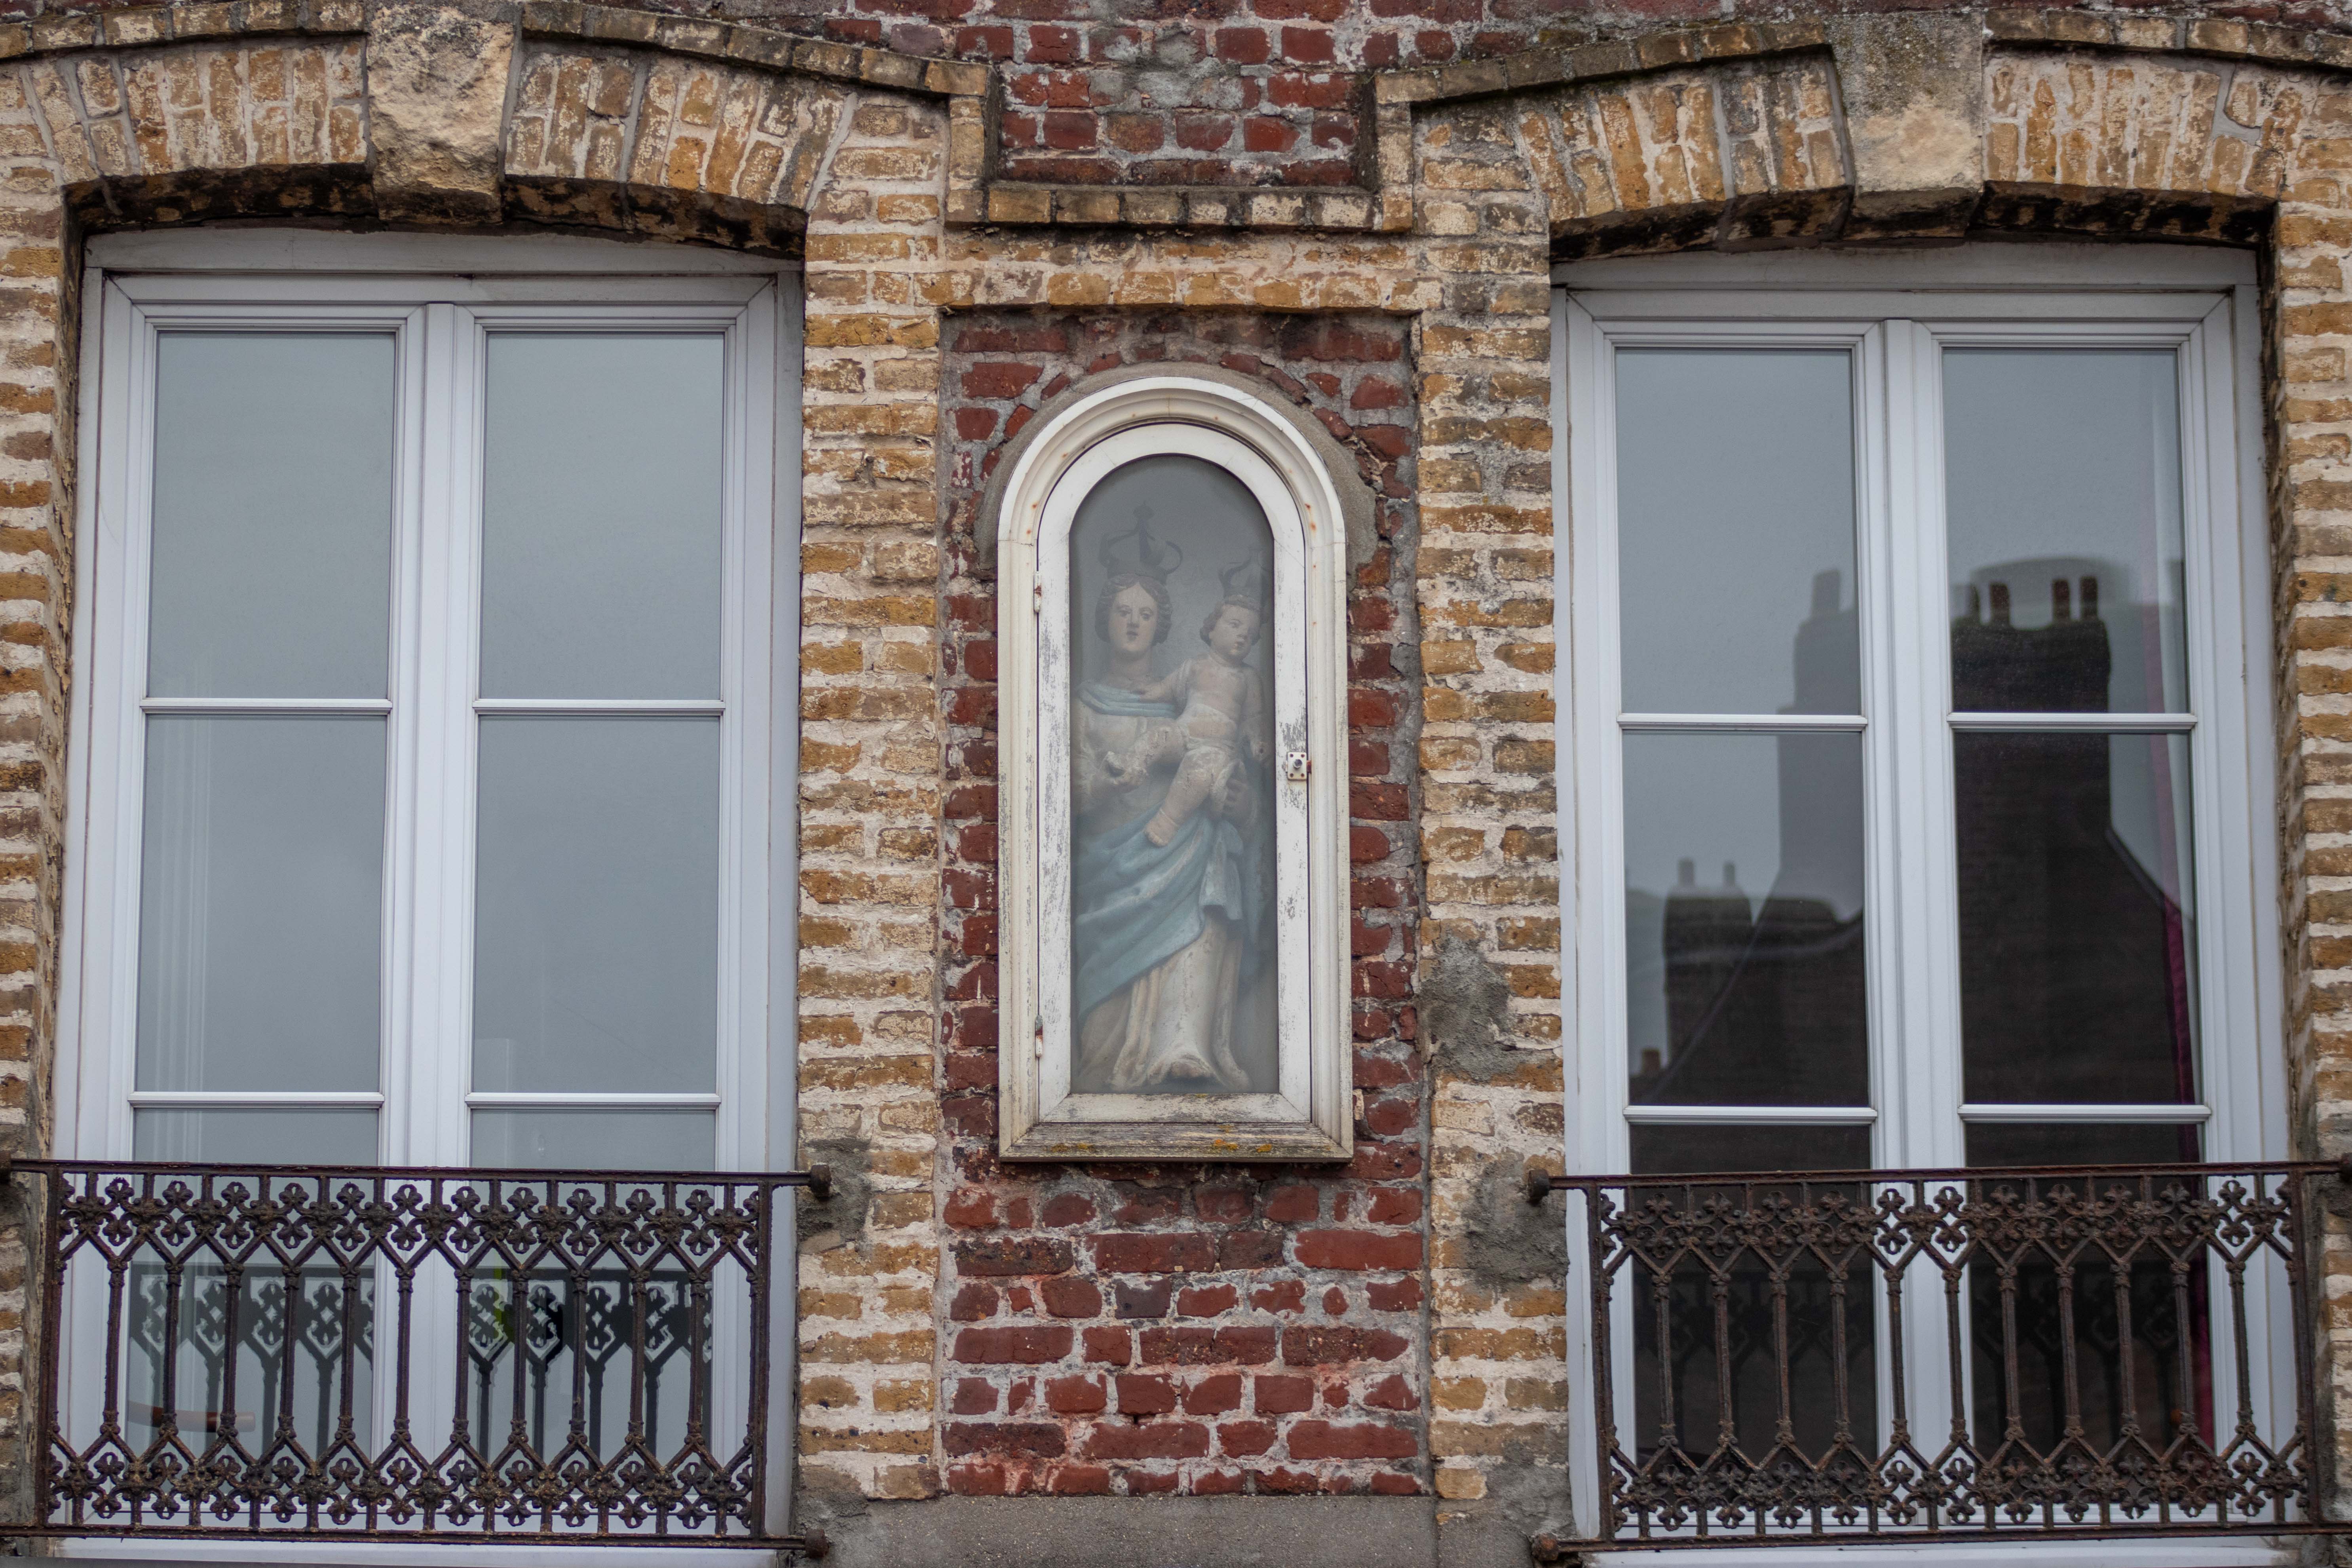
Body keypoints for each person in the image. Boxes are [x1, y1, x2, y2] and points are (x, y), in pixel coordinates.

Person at [1068, 538, 1273, 1093]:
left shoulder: (1186, 703)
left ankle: (1183, 1047)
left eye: (1146, 613)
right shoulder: (1084, 706)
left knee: (1205, 914)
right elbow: (1069, 793)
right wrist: (1107, 783)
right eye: (1122, 611)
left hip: (1190, 859)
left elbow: (1233, 772)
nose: (1133, 623)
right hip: (1112, 872)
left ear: (1163, 625)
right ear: (1103, 619)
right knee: (1102, 1035)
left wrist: (1244, 805)